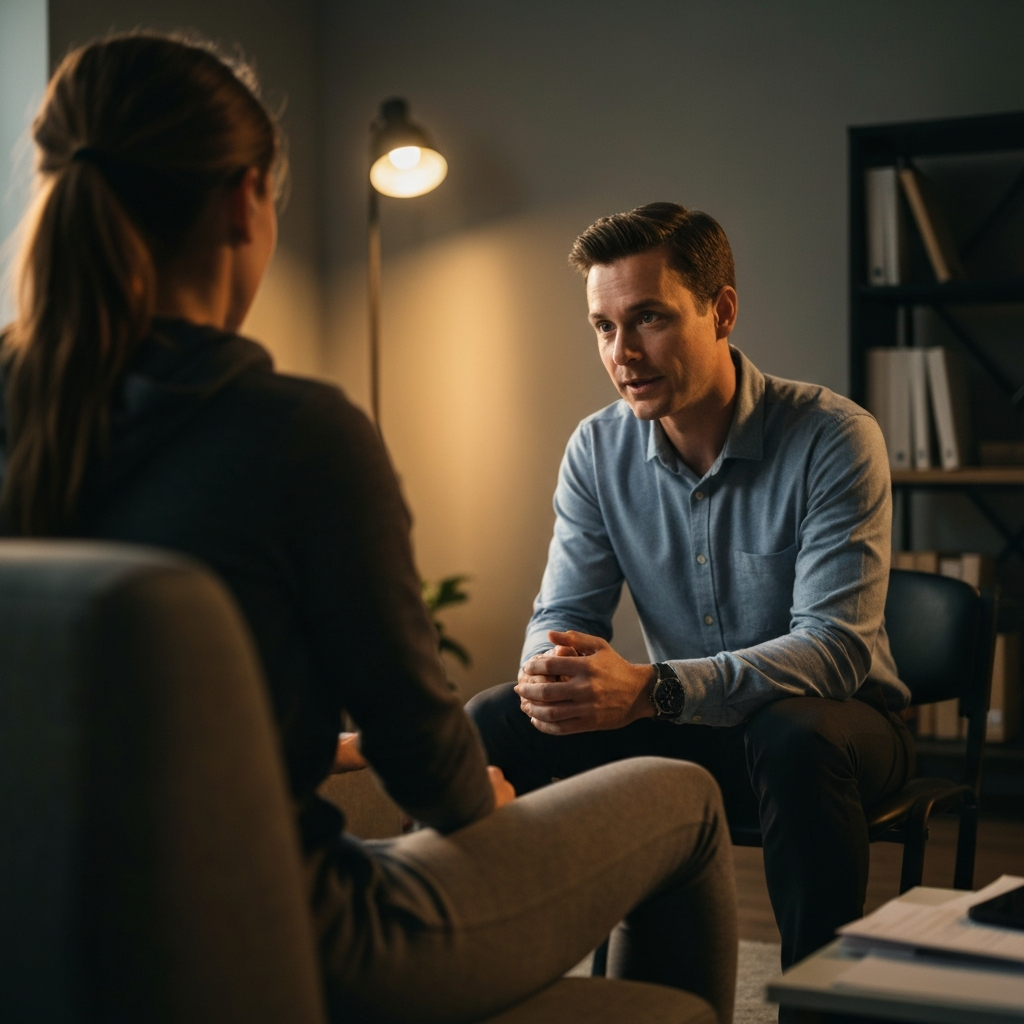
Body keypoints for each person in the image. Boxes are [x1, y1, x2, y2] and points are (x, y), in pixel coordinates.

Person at [0, 36, 737, 1024]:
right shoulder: (293, 434)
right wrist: (484, 809)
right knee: (681, 792)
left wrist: (331, 752)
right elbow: (431, 768)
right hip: (306, 943)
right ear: (244, 201)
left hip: (53, 931)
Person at [468, 203, 915, 972]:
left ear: (723, 311)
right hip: (688, 731)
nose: (622, 353)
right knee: (496, 718)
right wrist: (552, 673)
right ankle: (483, 980)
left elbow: (834, 651)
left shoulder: (833, 438)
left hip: (839, 734)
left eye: (648, 319)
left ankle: (817, 1001)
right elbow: (566, 614)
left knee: (793, 735)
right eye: (603, 327)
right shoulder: (597, 449)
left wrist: (651, 690)